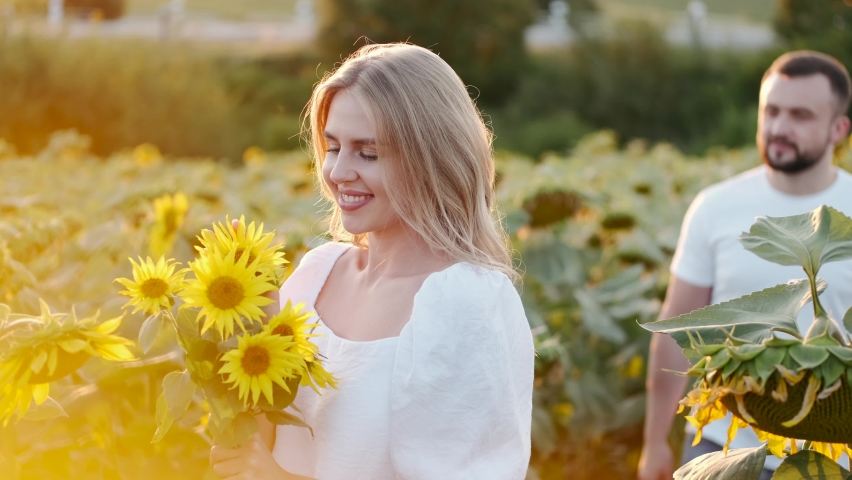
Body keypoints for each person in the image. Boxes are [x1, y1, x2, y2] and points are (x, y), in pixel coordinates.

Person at [208, 43, 535, 480]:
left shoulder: (463, 303)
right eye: (333, 146)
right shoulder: (316, 273)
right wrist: (250, 338)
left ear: (431, 160)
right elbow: (275, 443)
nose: (338, 172)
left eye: (369, 152)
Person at [638, 50, 852, 480]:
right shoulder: (716, 207)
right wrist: (654, 442)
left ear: (839, 128)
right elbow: (674, 332)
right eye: (770, 111)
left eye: (800, 115)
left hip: (837, 452)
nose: (779, 127)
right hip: (724, 447)